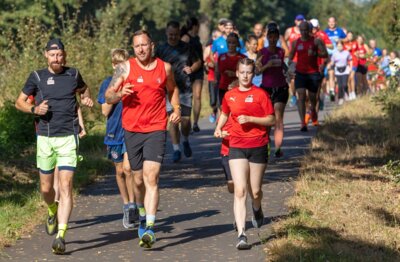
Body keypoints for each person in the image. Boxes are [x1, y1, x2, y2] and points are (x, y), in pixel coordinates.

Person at [15, 38, 93, 254]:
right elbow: (19, 101)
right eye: (52, 55)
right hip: (45, 139)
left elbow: (85, 91)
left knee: (66, 186)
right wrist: (34, 110)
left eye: (59, 55)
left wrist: (87, 99)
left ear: (64, 55)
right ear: (46, 56)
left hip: (68, 137)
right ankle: (52, 209)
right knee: (46, 188)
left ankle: (61, 235)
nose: (56, 59)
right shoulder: (37, 77)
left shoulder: (73, 74)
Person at [105, 30, 181, 249]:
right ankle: (140, 209)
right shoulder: (125, 68)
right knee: (137, 179)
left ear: (152, 45)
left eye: (144, 45)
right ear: (133, 48)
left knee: (152, 177)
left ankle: (149, 227)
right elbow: (109, 95)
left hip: (157, 128)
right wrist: (120, 94)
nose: (140, 49)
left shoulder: (164, 67)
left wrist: (175, 108)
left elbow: (173, 89)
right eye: (136, 46)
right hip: (132, 129)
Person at [214, 58, 275, 250]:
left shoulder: (261, 94)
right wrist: (218, 127)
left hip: (258, 145)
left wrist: (250, 118)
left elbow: (271, 119)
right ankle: (242, 234)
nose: (246, 75)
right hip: (237, 145)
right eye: (242, 72)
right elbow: (224, 113)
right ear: (237, 73)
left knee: (254, 191)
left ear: (253, 74)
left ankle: (257, 208)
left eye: (249, 72)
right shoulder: (230, 95)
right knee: (239, 190)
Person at [97, 48, 137, 229]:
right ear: (113, 65)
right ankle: (126, 203)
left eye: (124, 64)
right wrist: (117, 94)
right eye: (118, 65)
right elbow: (105, 111)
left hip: (131, 130)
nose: (121, 68)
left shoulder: (133, 82)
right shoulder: (107, 84)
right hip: (114, 132)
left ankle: (133, 205)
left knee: (129, 169)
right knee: (120, 171)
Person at [156, 20, 202, 163]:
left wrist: (191, 69)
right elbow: (153, 65)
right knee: (174, 120)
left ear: (179, 34)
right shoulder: (161, 49)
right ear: (166, 33)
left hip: (185, 88)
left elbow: (198, 62)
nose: (173, 37)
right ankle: (176, 149)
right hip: (168, 90)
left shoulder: (187, 47)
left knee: (186, 122)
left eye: (175, 34)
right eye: (170, 34)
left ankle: (186, 139)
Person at [288, 21, 328, 132]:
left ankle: (313, 112)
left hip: (313, 73)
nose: (304, 32)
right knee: (300, 96)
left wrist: (316, 53)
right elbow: (290, 57)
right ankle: (302, 123)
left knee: (312, 97)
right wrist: (291, 66)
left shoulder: (316, 41)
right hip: (300, 72)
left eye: (306, 30)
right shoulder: (296, 42)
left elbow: (325, 54)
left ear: (310, 30)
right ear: (299, 30)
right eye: (302, 30)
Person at [257, 23, 289, 158]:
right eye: (270, 36)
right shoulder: (262, 52)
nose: (272, 39)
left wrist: (289, 72)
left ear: (277, 38)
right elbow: (257, 71)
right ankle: (267, 143)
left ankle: (278, 147)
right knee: (268, 119)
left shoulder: (281, 51)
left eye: (275, 36)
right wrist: (267, 65)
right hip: (266, 89)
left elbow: (283, 66)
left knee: (278, 118)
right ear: (267, 37)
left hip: (281, 87)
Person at [181, 17, 204, 132]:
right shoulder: (186, 37)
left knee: (198, 96)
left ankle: (195, 123)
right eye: (198, 25)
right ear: (194, 26)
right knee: (188, 97)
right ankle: (187, 121)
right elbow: (181, 52)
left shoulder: (197, 38)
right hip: (188, 69)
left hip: (199, 69)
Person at [217, 32, 246, 106]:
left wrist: (234, 74)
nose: (231, 45)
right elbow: (218, 71)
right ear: (226, 43)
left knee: (235, 109)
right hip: (223, 87)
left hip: (237, 87)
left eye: (233, 43)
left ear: (237, 44)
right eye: (229, 42)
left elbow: (247, 73)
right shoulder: (221, 57)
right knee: (223, 109)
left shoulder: (242, 57)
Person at [324, 17, 347, 100]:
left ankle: (343, 92)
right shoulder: (325, 32)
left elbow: (346, 39)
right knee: (331, 74)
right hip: (330, 56)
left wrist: (340, 39)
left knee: (340, 75)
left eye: (333, 22)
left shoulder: (340, 31)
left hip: (339, 56)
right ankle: (332, 93)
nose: (331, 23)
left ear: (335, 22)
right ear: (328, 23)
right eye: (330, 22)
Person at [284, 14, 304, 107]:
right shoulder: (289, 31)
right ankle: (293, 96)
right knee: (292, 79)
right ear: (295, 21)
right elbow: (283, 41)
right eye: (298, 20)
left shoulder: (304, 31)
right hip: (293, 59)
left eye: (301, 20)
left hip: (303, 59)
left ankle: (302, 96)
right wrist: (285, 53)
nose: (299, 22)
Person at [204, 29, 222, 123]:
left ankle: (220, 119)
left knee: (220, 100)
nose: (216, 39)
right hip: (211, 77)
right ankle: (214, 111)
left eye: (218, 37)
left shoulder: (223, 48)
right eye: (214, 37)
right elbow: (205, 61)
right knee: (213, 101)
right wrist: (208, 65)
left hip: (222, 78)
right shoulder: (209, 48)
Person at [330, 40, 352, 105]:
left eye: (341, 46)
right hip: (337, 70)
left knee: (344, 84)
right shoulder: (334, 54)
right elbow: (332, 62)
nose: (339, 47)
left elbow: (350, 60)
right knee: (340, 86)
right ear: (336, 46)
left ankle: (346, 93)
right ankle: (340, 98)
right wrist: (330, 66)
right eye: (338, 46)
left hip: (345, 70)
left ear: (343, 46)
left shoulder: (346, 52)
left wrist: (350, 67)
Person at [344, 31, 358, 100]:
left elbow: (358, 50)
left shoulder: (355, 43)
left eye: (351, 36)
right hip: (347, 63)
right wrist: (347, 50)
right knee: (348, 79)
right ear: (346, 36)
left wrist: (357, 53)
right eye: (348, 35)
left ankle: (353, 92)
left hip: (354, 62)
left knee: (352, 77)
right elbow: (341, 52)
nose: (350, 37)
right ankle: (350, 93)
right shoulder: (344, 44)